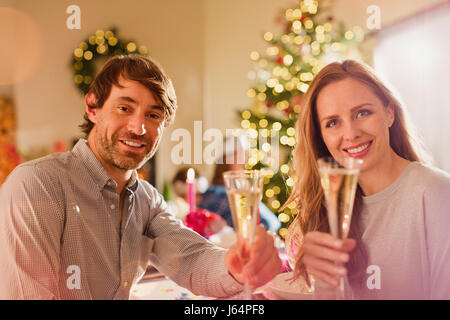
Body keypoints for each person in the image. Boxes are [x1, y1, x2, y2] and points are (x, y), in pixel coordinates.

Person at [0, 55, 281, 299]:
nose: (138, 127)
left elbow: (191, 258)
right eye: (124, 108)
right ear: (92, 107)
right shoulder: (36, 185)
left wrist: (233, 265)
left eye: (153, 115)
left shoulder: (147, 200)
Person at [285, 59, 450, 299]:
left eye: (362, 113)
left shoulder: (435, 193)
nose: (351, 133)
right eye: (333, 123)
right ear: (321, 136)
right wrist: (322, 282)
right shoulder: (327, 214)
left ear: (389, 112)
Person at [200, 135, 281, 233]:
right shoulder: (218, 195)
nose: (244, 160)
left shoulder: (242, 192)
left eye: (244, 155)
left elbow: (273, 223)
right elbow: (267, 224)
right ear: (226, 159)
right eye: (238, 156)